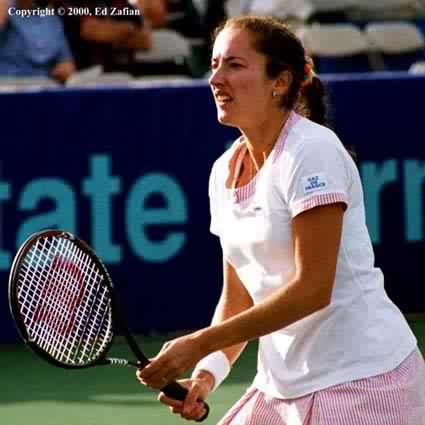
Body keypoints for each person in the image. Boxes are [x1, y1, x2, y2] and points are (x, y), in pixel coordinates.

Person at [136, 15, 425, 424]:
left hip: (364, 380)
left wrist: (198, 343)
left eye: (235, 65)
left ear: (281, 81)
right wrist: (205, 375)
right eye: (215, 64)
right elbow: (237, 296)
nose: (216, 78)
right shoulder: (223, 171)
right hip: (280, 387)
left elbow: (313, 289)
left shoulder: (312, 151)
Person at [0, 0, 75, 82]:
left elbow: (66, 61)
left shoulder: (51, 19)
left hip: (43, 85)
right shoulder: (4, 9)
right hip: (7, 83)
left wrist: (65, 69)